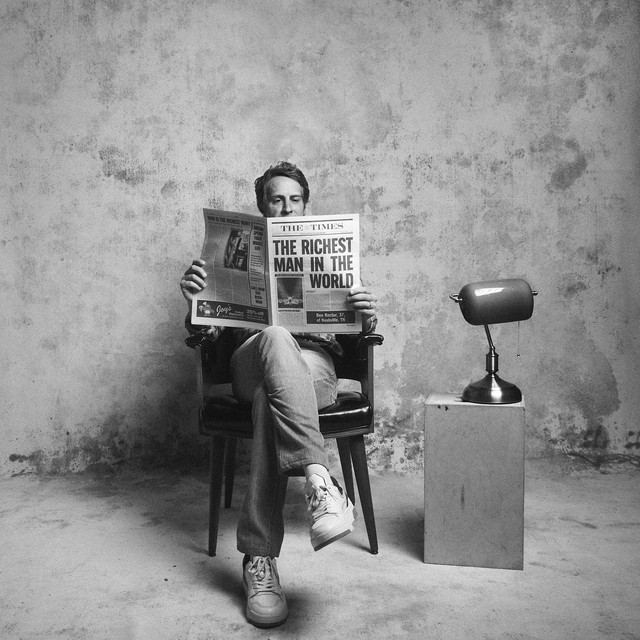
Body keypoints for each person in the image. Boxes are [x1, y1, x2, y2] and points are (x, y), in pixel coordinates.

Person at [180, 161, 378, 628]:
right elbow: (205, 333)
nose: (286, 207)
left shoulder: (330, 258)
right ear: (263, 208)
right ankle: (320, 478)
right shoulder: (231, 256)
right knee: (273, 335)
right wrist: (194, 303)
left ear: (305, 206)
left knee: (272, 401)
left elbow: (356, 336)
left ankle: (258, 560)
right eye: (276, 200)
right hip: (251, 360)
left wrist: (367, 315)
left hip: (313, 370)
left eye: (295, 200)